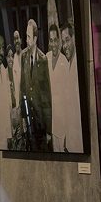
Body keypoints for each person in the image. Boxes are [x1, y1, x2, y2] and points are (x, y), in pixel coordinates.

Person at [20, 19, 52, 151]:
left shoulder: (42, 59)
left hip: (41, 123)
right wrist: (23, 117)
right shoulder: (23, 57)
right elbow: (23, 88)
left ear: (35, 37)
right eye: (26, 36)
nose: (26, 40)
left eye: (28, 36)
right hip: (29, 122)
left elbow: (47, 96)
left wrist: (49, 129)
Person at [60, 23, 83, 153]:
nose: (65, 46)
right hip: (72, 141)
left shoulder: (77, 66)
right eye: (63, 42)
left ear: (74, 38)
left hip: (79, 142)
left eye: (67, 40)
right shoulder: (68, 64)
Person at [47, 24, 69, 152]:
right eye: (51, 40)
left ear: (59, 41)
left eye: (56, 40)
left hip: (62, 124)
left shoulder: (64, 63)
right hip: (51, 123)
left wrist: (67, 133)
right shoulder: (46, 58)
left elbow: (68, 100)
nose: (53, 44)